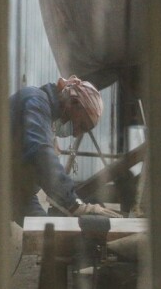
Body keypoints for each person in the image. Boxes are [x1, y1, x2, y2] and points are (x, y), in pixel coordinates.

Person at [9, 75, 121, 218]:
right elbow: (40, 154)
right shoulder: (35, 101)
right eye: (81, 125)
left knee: (45, 236)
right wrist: (74, 204)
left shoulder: (46, 120)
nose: (76, 133)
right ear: (73, 102)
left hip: (17, 194)